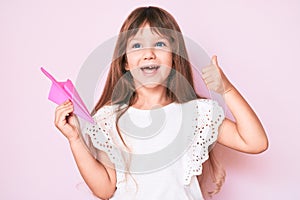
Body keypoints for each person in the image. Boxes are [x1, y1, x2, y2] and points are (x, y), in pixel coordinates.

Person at [54, 6, 268, 200]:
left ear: (174, 57)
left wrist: (227, 89)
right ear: (125, 61)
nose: (149, 54)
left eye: (159, 44)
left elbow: (255, 142)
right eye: (137, 45)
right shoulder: (109, 118)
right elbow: (105, 189)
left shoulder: (197, 113)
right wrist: (75, 139)